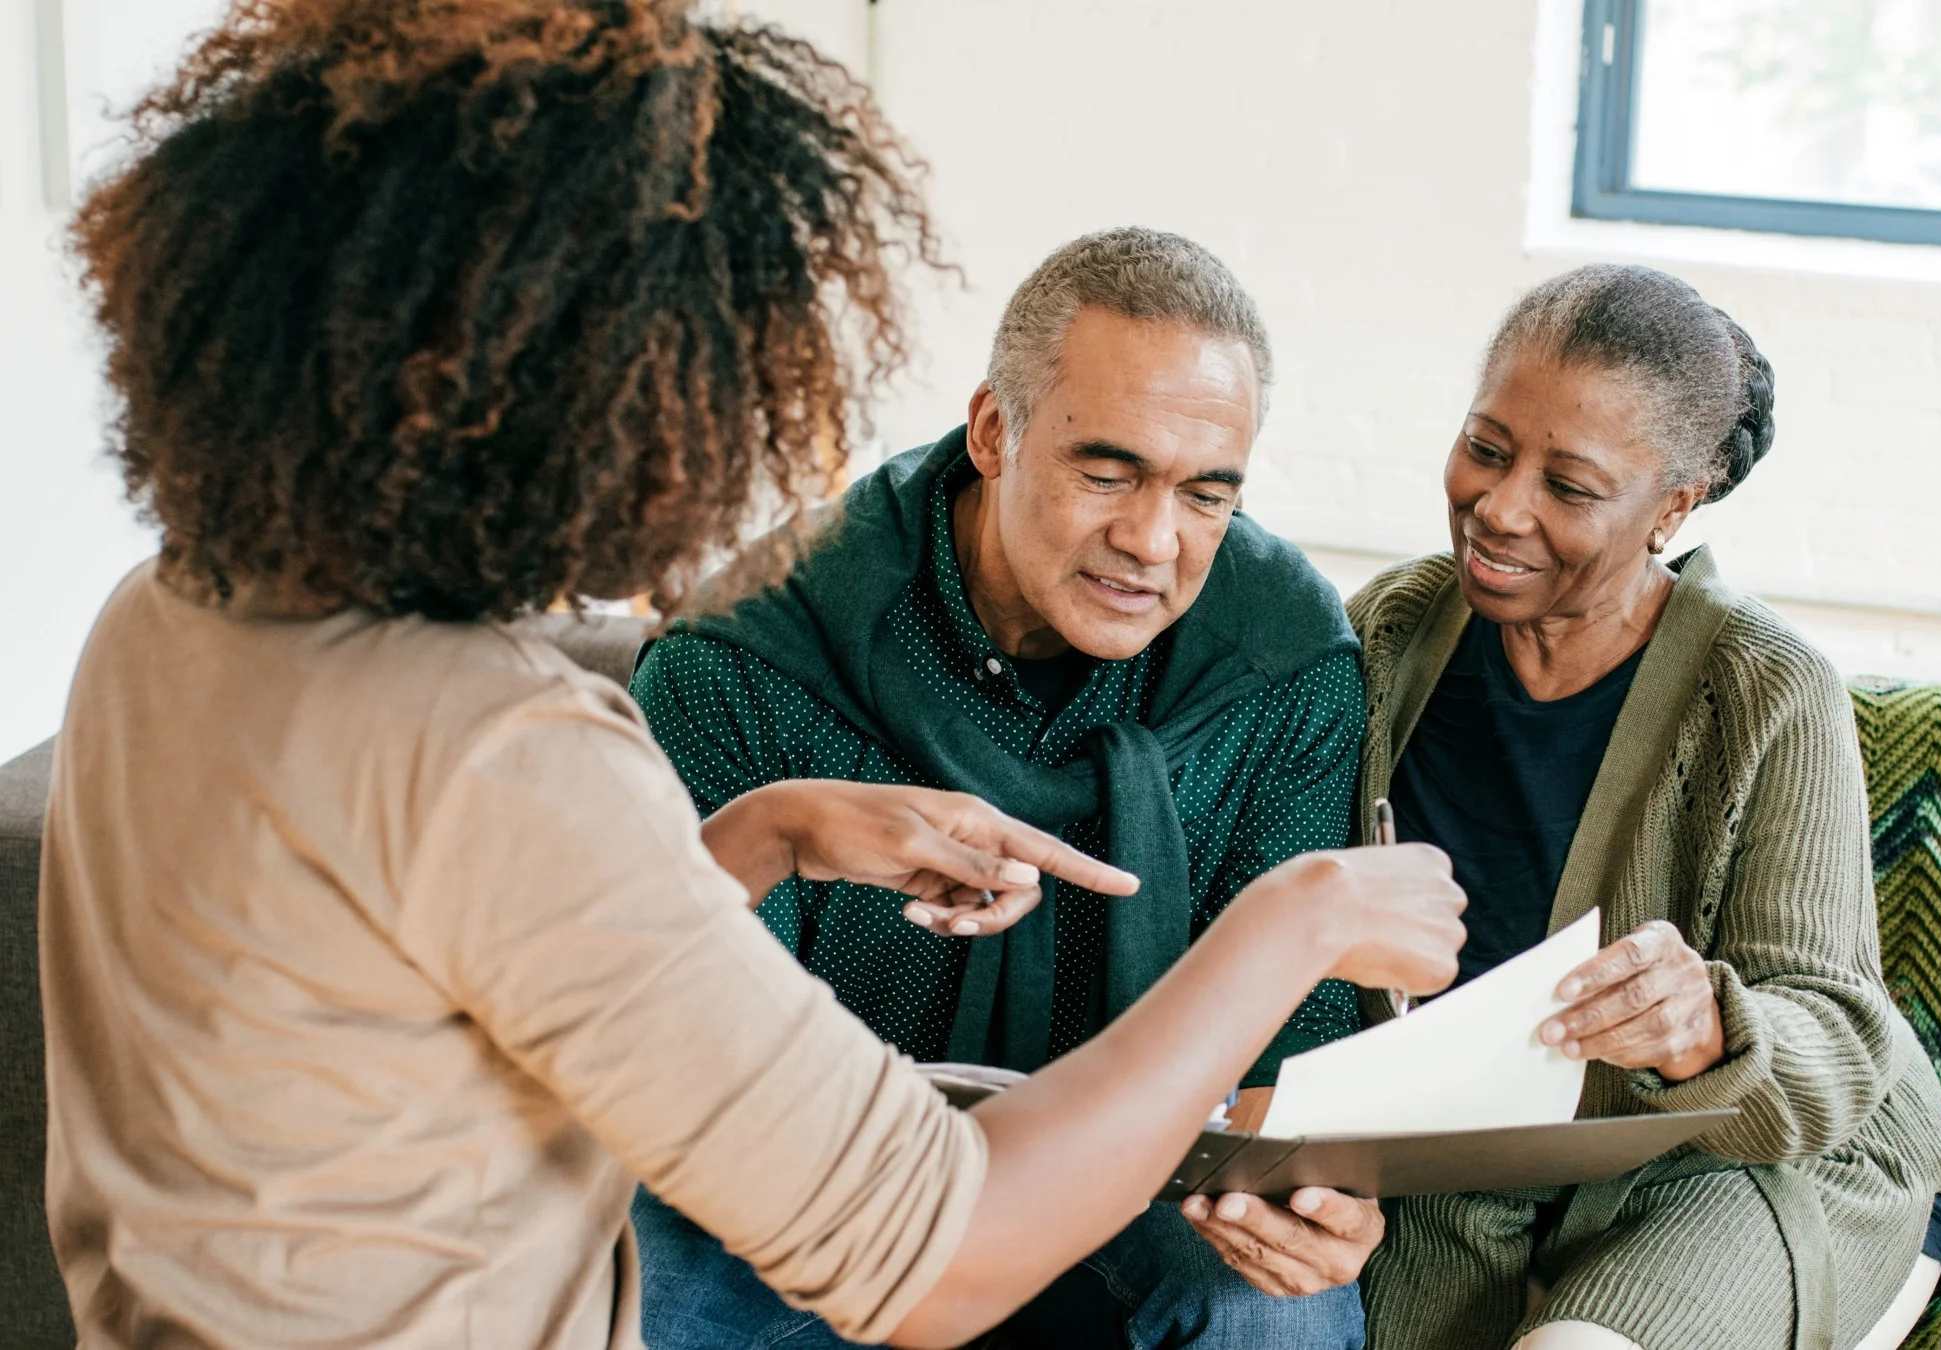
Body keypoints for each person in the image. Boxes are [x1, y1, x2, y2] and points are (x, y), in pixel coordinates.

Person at [39, 5, 1467, 1348]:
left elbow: (475, 978)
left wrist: (763, 832)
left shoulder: (166, 618)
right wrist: (1300, 916)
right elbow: (944, 1251)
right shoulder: (508, 754)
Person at [1346, 265, 1941, 1350]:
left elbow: (1836, 1023)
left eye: (1571, 488)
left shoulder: (1767, 689)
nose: (1500, 507)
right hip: (1476, 1151)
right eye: (1487, 448)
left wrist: (1707, 1025)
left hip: (1740, 1151)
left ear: (1673, 508)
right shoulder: (1391, 633)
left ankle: (1903, 1240)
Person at [628, 227, 1390, 1350]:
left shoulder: (1281, 659)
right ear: (994, 430)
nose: (1152, 540)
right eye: (1107, 471)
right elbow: (709, 1044)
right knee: (644, 1297)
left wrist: (1309, 1193)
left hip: (1139, 1177)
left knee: (1275, 1306)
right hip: (809, 1176)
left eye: (1206, 496)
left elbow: (1296, 1036)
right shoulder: (750, 654)